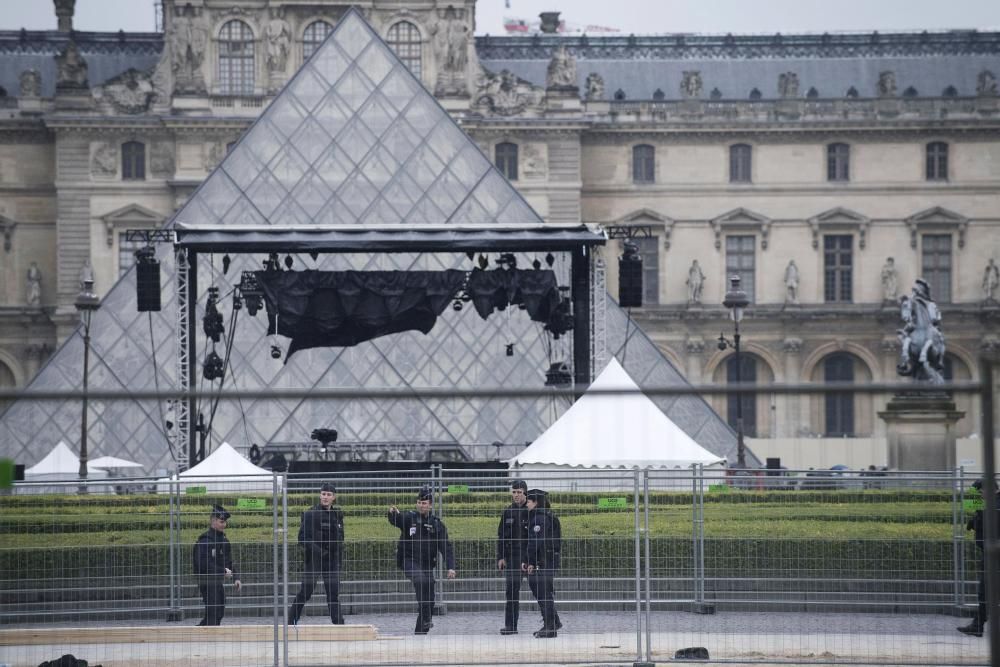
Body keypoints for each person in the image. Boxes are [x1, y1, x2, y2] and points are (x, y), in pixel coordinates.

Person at [388, 487, 456, 634]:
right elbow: (396, 520)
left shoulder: (437, 524)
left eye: (424, 503)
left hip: (426, 565)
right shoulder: (409, 517)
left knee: (430, 599)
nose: (421, 505)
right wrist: (391, 513)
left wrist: (450, 567)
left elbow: (446, 547)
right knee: (421, 580)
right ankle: (426, 620)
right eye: (419, 502)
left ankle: (420, 633)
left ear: (430, 505)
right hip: (409, 560)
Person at [288, 483, 345, 625]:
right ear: (320, 495)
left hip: (332, 561)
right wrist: (319, 551)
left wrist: (337, 557)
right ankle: (290, 622)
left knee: (333, 594)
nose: (325, 497)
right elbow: (302, 538)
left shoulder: (338, 514)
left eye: (329, 494)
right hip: (314, 560)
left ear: (334, 497)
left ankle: (339, 624)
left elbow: (341, 537)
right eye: (323, 494)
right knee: (305, 593)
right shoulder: (310, 514)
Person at [193, 504, 240, 626]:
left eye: (225, 522)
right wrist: (222, 571)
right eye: (221, 521)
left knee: (219, 610)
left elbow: (228, 560)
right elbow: (203, 564)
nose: (224, 524)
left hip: (217, 581)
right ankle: (206, 637)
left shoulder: (223, 540)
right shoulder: (205, 540)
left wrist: (236, 578)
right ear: (213, 521)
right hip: (206, 580)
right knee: (214, 612)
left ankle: (202, 633)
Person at [524, 489, 562, 638]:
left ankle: (550, 626)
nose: (526, 504)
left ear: (536, 502)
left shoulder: (539, 518)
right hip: (548, 558)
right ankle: (554, 622)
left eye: (528, 501)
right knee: (543, 591)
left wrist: (530, 561)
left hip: (544, 560)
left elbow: (535, 542)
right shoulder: (546, 515)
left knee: (542, 592)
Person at [959, 479, 995, 637]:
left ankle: (978, 624)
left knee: (985, 592)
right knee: (984, 592)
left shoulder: (995, 505)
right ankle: (978, 625)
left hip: (994, 556)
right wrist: (974, 520)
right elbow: (969, 506)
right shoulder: (987, 505)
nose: (977, 498)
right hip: (988, 555)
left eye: (979, 494)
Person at [497, 480, 530, 635]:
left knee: (540, 590)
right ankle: (510, 626)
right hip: (513, 557)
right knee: (511, 591)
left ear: (525, 493)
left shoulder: (531, 510)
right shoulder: (508, 511)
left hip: (530, 556)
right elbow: (501, 536)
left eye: (519, 492)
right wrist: (501, 557)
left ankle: (552, 622)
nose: (516, 495)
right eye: (514, 492)